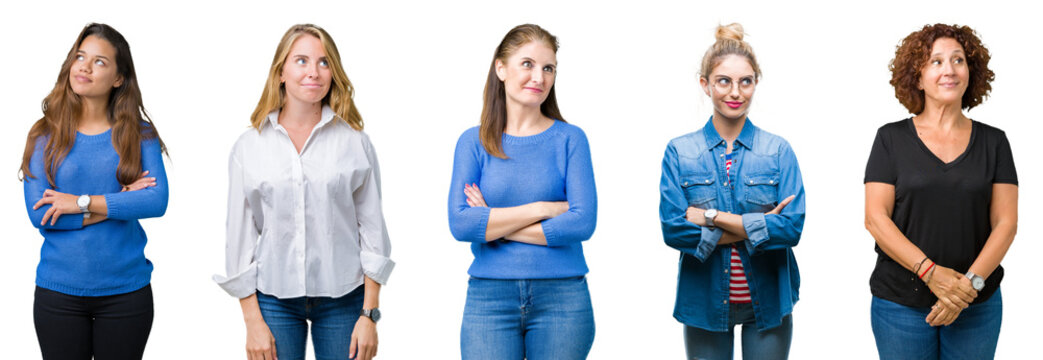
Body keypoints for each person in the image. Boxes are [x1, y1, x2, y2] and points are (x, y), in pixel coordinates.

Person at [213, 24, 394, 360]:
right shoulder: (249, 147)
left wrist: (369, 315)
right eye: (301, 61)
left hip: (345, 298)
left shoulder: (355, 142)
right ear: (280, 72)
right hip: (273, 299)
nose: (314, 72)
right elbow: (239, 237)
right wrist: (252, 321)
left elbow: (372, 232)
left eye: (324, 62)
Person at [864, 23, 1017, 360]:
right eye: (936, 61)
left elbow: (1006, 224)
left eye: (958, 60)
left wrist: (968, 287)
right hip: (900, 306)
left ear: (970, 73)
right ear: (918, 78)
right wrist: (930, 273)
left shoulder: (995, 142)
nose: (949, 69)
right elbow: (875, 219)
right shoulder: (890, 139)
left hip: (976, 306)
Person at [448, 23, 597, 360]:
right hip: (489, 298)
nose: (539, 78)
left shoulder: (571, 139)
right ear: (501, 68)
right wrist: (543, 208)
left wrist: (493, 224)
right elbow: (461, 224)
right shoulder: (473, 143)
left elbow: (581, 223)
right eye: (527, 64)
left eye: (548, 68)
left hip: (562, 299)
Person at [21, 23, 168, 360]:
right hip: (58, 293)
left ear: (119, 78)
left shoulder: (140, 134)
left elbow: (155, 201)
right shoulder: (43, 135)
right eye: (80, 57)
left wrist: (78, 203)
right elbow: (40, 215)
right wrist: (121, 201)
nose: (85, 67)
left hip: (126, 293)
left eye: (100, 61)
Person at [659, 23, 805, 360]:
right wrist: (758, 226)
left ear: (756, 83)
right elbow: (674, 230)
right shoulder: (680, 152)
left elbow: (791, 228)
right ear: (705, 85)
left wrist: (712, 217)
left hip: (768, 302)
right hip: (704, 303)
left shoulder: (778, 150)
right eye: (724, 81)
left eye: (745, 81)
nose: (735, 92)